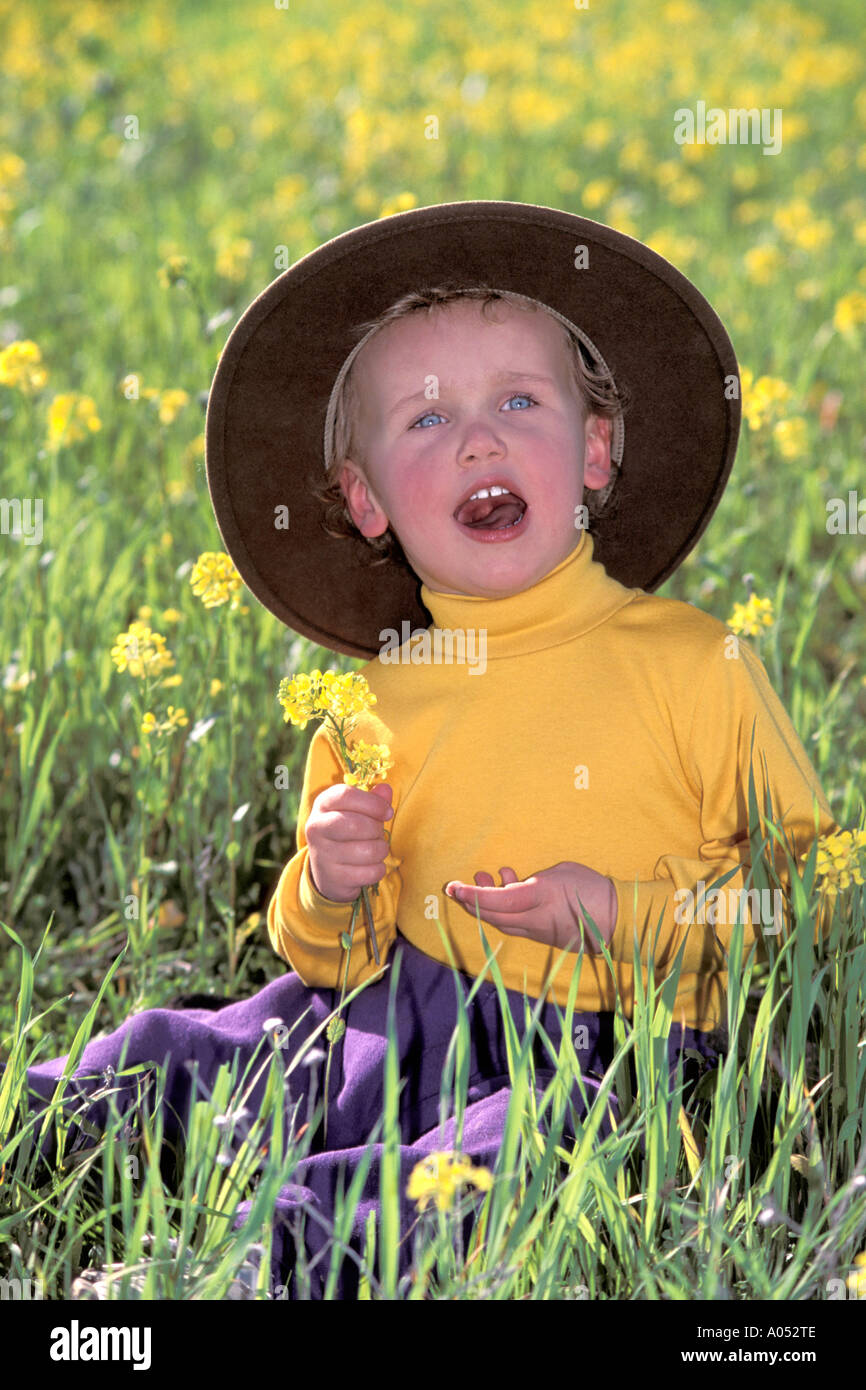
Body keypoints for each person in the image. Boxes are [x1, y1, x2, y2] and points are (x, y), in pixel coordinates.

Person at [12, 201, 840, 1299]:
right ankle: (45, 1135)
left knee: (496, 1167)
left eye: (516, 400)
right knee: (178, 1055)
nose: (477, 440)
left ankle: (256, 1267)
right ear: (365, 501)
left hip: (599, 1053)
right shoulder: (370, 694)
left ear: (595, 451)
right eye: (423, 420)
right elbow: (330, 956)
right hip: (388, 1016)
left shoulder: (692, 662)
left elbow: (804, 899)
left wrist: (621, 911)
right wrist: (328, 880)